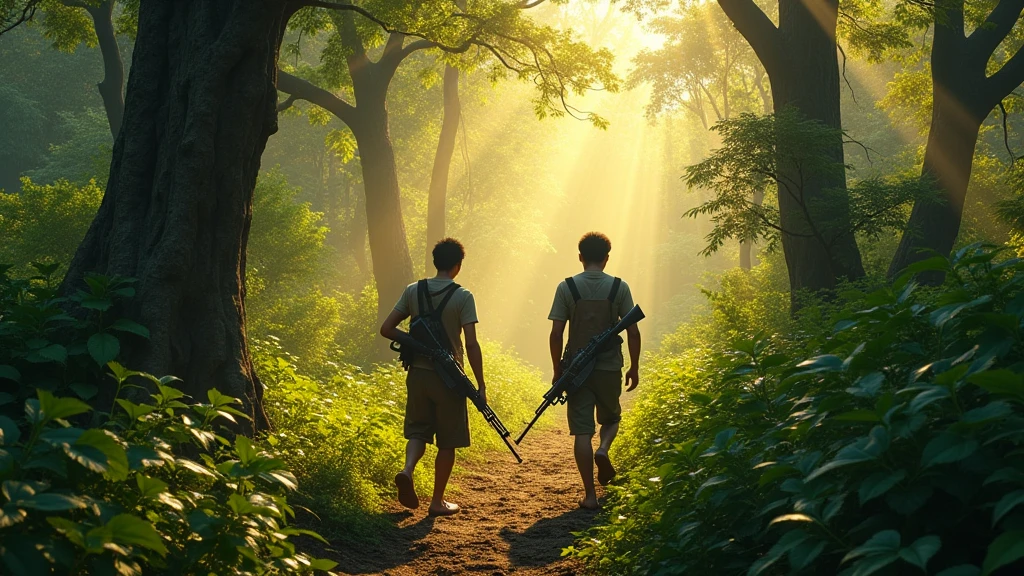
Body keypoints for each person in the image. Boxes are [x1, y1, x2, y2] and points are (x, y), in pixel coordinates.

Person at [379, 238, 483, 517]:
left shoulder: (414, 290)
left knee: (418, 431)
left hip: (418, 376)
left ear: (436, 261)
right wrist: (480, 383)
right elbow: (471, 344)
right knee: (447, 442)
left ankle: (407, 470)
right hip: (449, 380)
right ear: (458, 265)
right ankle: (437, 502)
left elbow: (387, 329)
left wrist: (415, 344)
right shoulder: (463, 296)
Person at [548, 232, 641, 510]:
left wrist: (557, 370)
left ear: (580, 257)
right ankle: (604, 449)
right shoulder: (619, 287)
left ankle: (590, 495)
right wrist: (634, 366)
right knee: (611, 418)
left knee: (581, 433)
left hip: (576, 371)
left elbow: (555, 334)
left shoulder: (566, 288)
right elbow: (633, 331)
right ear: (606, 258)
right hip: (610, 367)